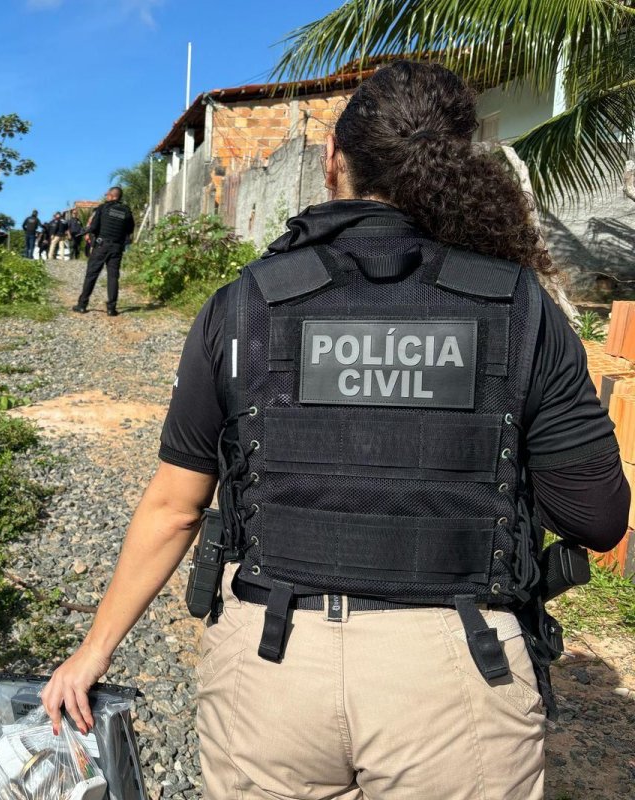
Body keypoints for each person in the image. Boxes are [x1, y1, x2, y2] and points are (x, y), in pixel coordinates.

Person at [42, 61, 629, 799]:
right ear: (460, 165)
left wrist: (93, 653)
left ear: (332, 164)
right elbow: (598, 517)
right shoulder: (517, 305)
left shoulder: (246, 304)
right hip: (456, 671)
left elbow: (175, 506)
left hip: (271, 672)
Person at [73, 187, 134, 316]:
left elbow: (94, 226)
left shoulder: (103, 208)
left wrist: (88, 232)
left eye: (107, 195)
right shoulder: (126, 211)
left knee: (91, 275)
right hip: (117, 247)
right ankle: (111, 309)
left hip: (102, 246)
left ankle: (82, 305)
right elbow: (130, 229)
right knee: (113, 277)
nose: (106, 196)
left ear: (113, 196)